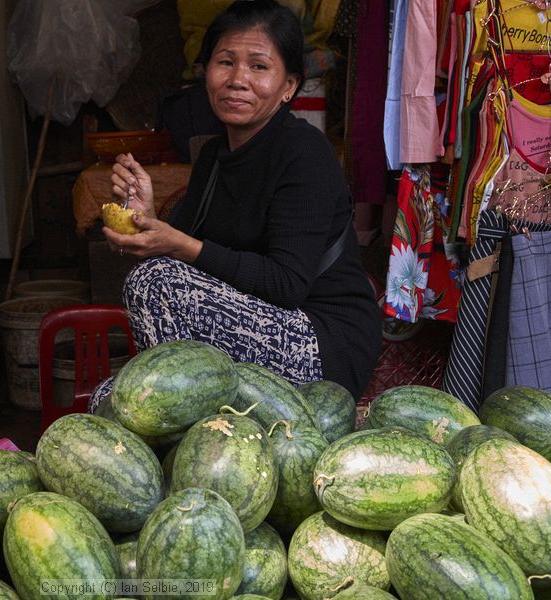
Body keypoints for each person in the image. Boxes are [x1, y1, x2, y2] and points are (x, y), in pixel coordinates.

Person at [93, 0, 381, 410]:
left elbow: (285, 284)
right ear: (205, 73)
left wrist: (176, 244)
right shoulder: (212, 156)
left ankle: (186, 415)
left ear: (289, 86)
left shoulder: (304, 152)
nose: (238, 80)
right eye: (225, 62)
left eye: (259, 66)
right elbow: (186, 261)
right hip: (251, 326)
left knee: (154, 283)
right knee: (108, 402)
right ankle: (187, 418)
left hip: (320, 342)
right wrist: (146, 219)